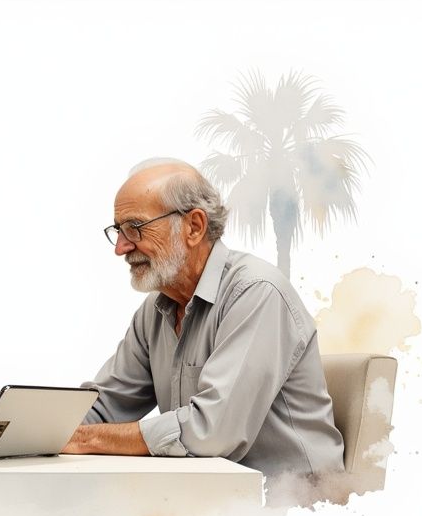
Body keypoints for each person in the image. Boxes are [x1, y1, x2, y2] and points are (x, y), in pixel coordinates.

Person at [64, 158, 345, 480]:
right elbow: (105, 408)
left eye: (135, 228)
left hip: (293, 507)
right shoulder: (157, 309)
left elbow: (212, 431)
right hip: (215, 496)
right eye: (118, 230)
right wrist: (8, 423)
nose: (121, 248)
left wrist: (87, 439)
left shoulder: (256, 291)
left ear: (194, 227)